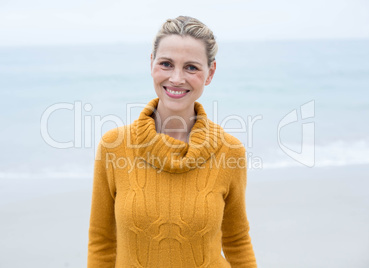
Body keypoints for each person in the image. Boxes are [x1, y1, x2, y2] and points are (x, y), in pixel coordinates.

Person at [87, 15, 257, 267]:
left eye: (191, 67)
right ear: (151, 64)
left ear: (210, 73)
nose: (176, 78)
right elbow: (102, 241)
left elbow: (236, 239)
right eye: (166, 64)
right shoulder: (113, 146)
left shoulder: (230, 151)